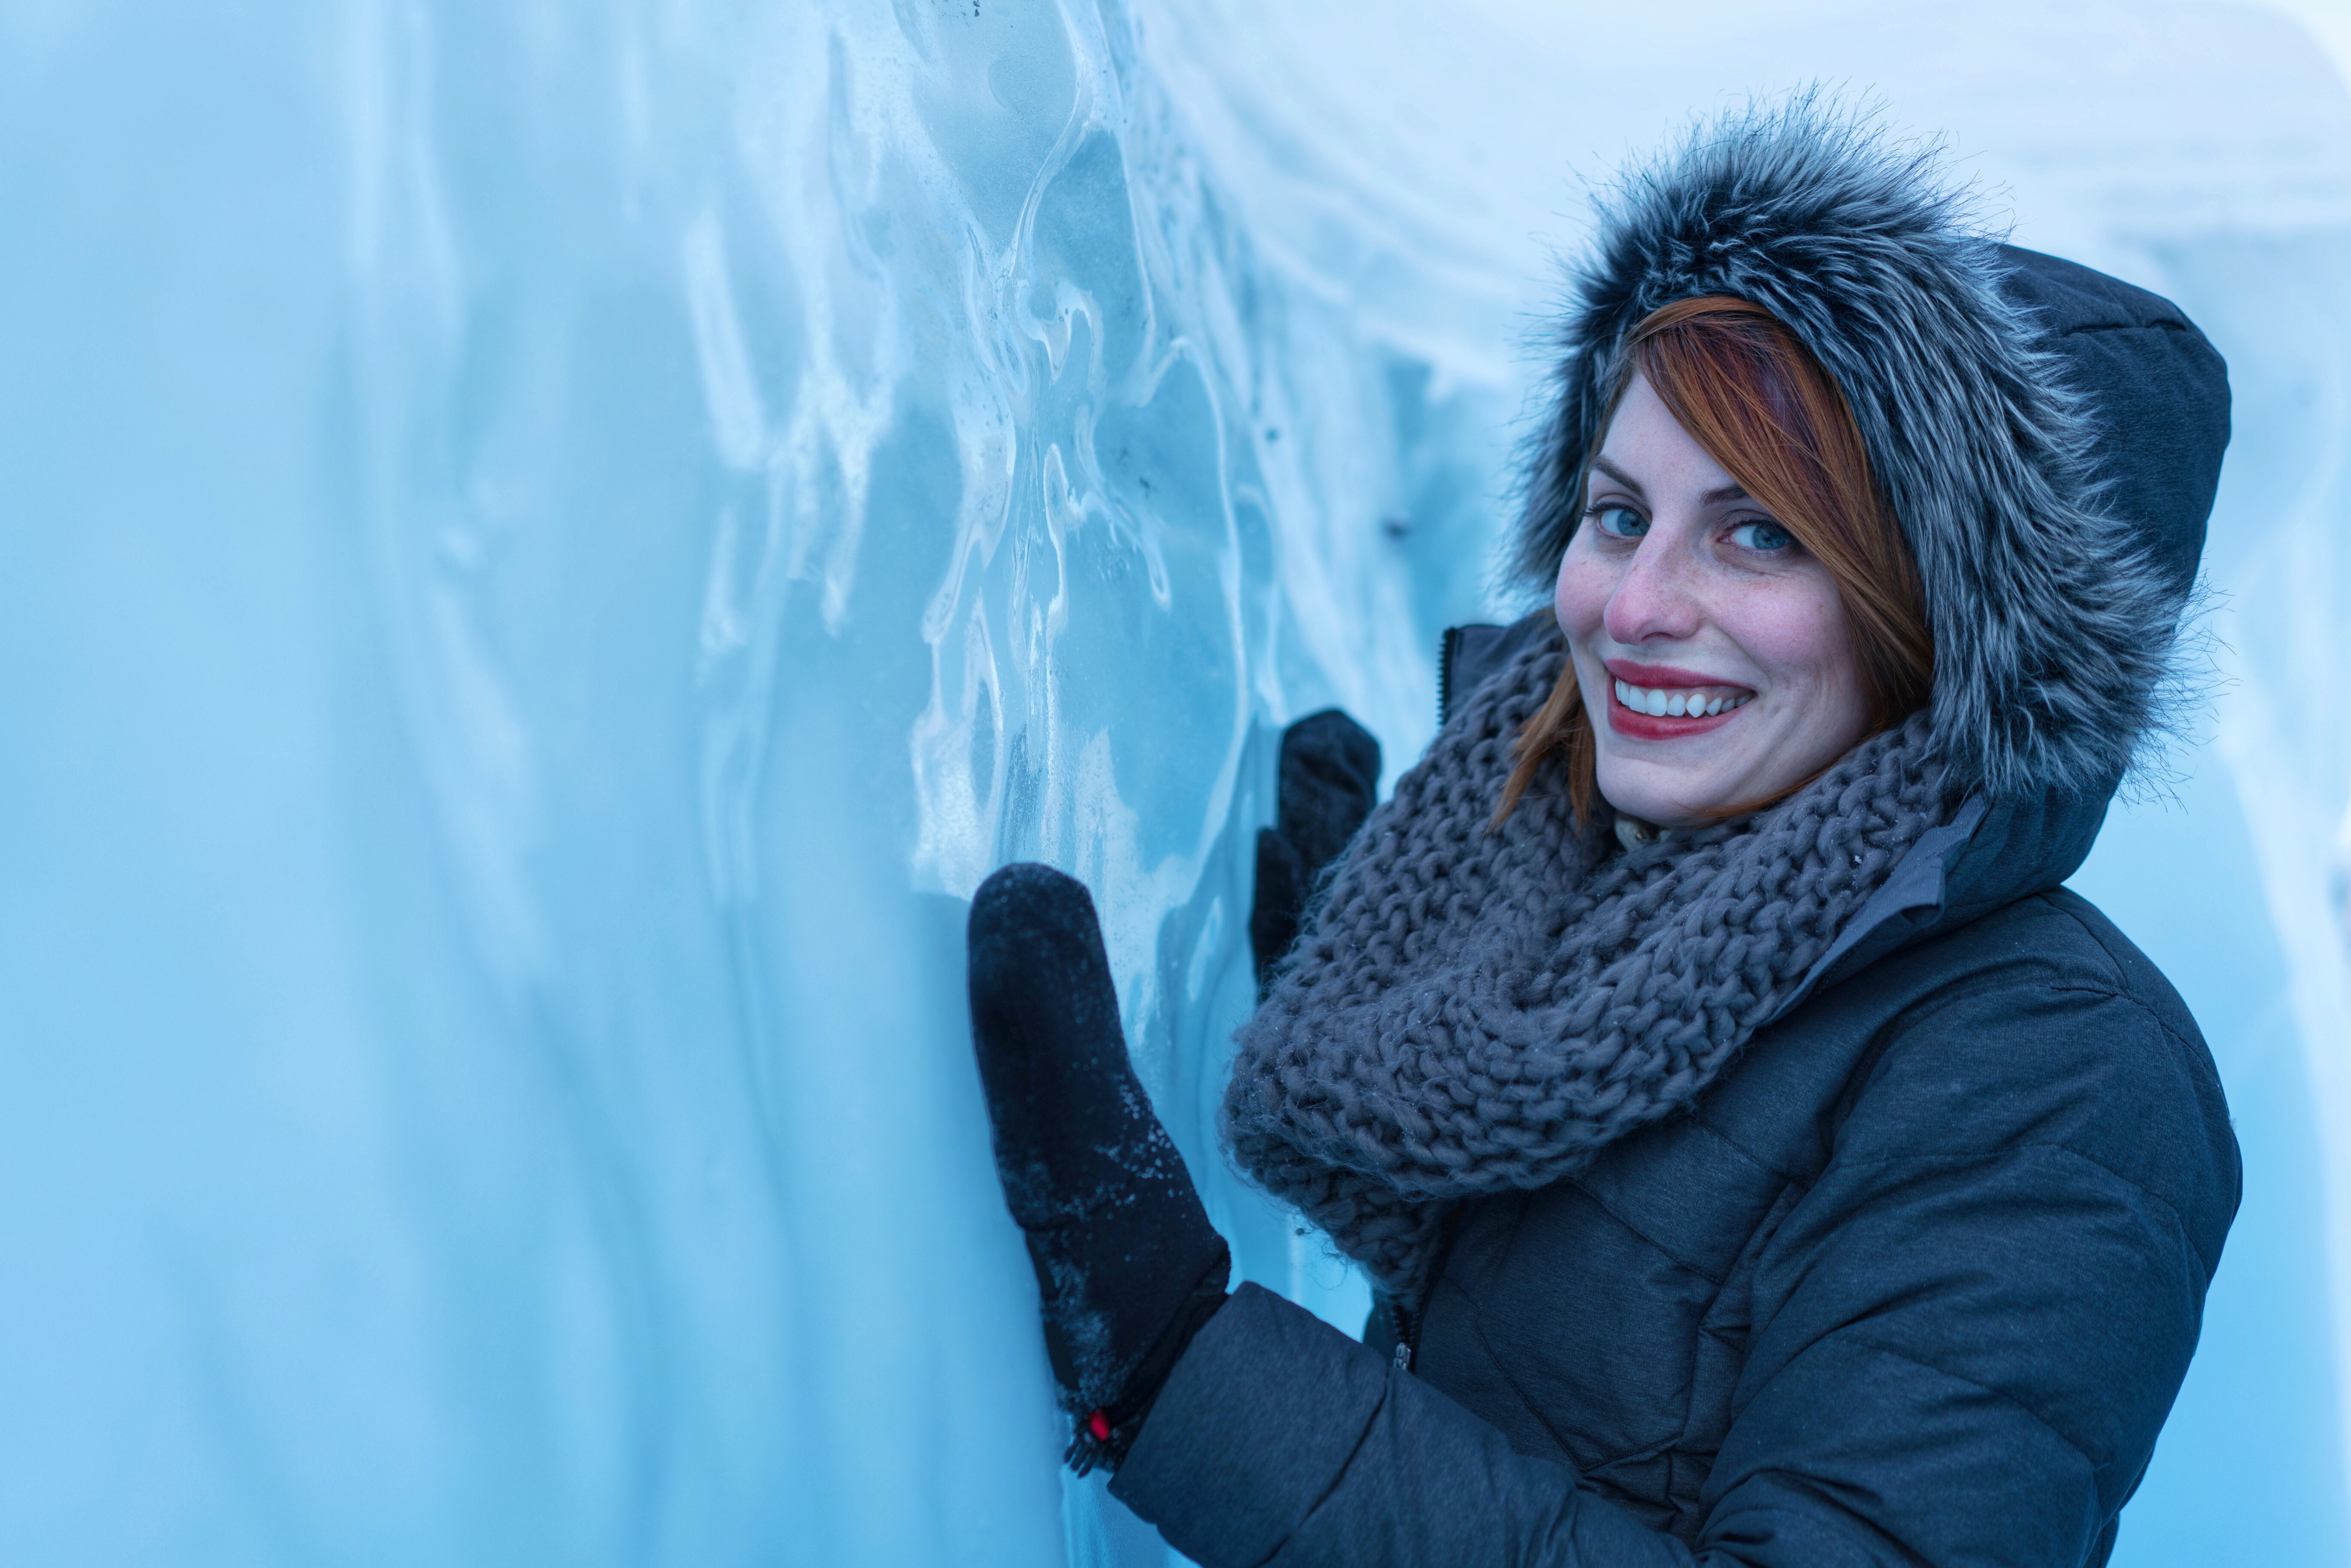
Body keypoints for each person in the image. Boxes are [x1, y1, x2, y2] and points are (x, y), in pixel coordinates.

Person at [964, 100, 2238, 1566]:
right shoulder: (1618, 914)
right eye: (1619, 513)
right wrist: (1399, 1013)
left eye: (1758, 532)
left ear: (1946, 624)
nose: (1632, 605)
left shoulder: (2062, 1071)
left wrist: (1182, 1370)